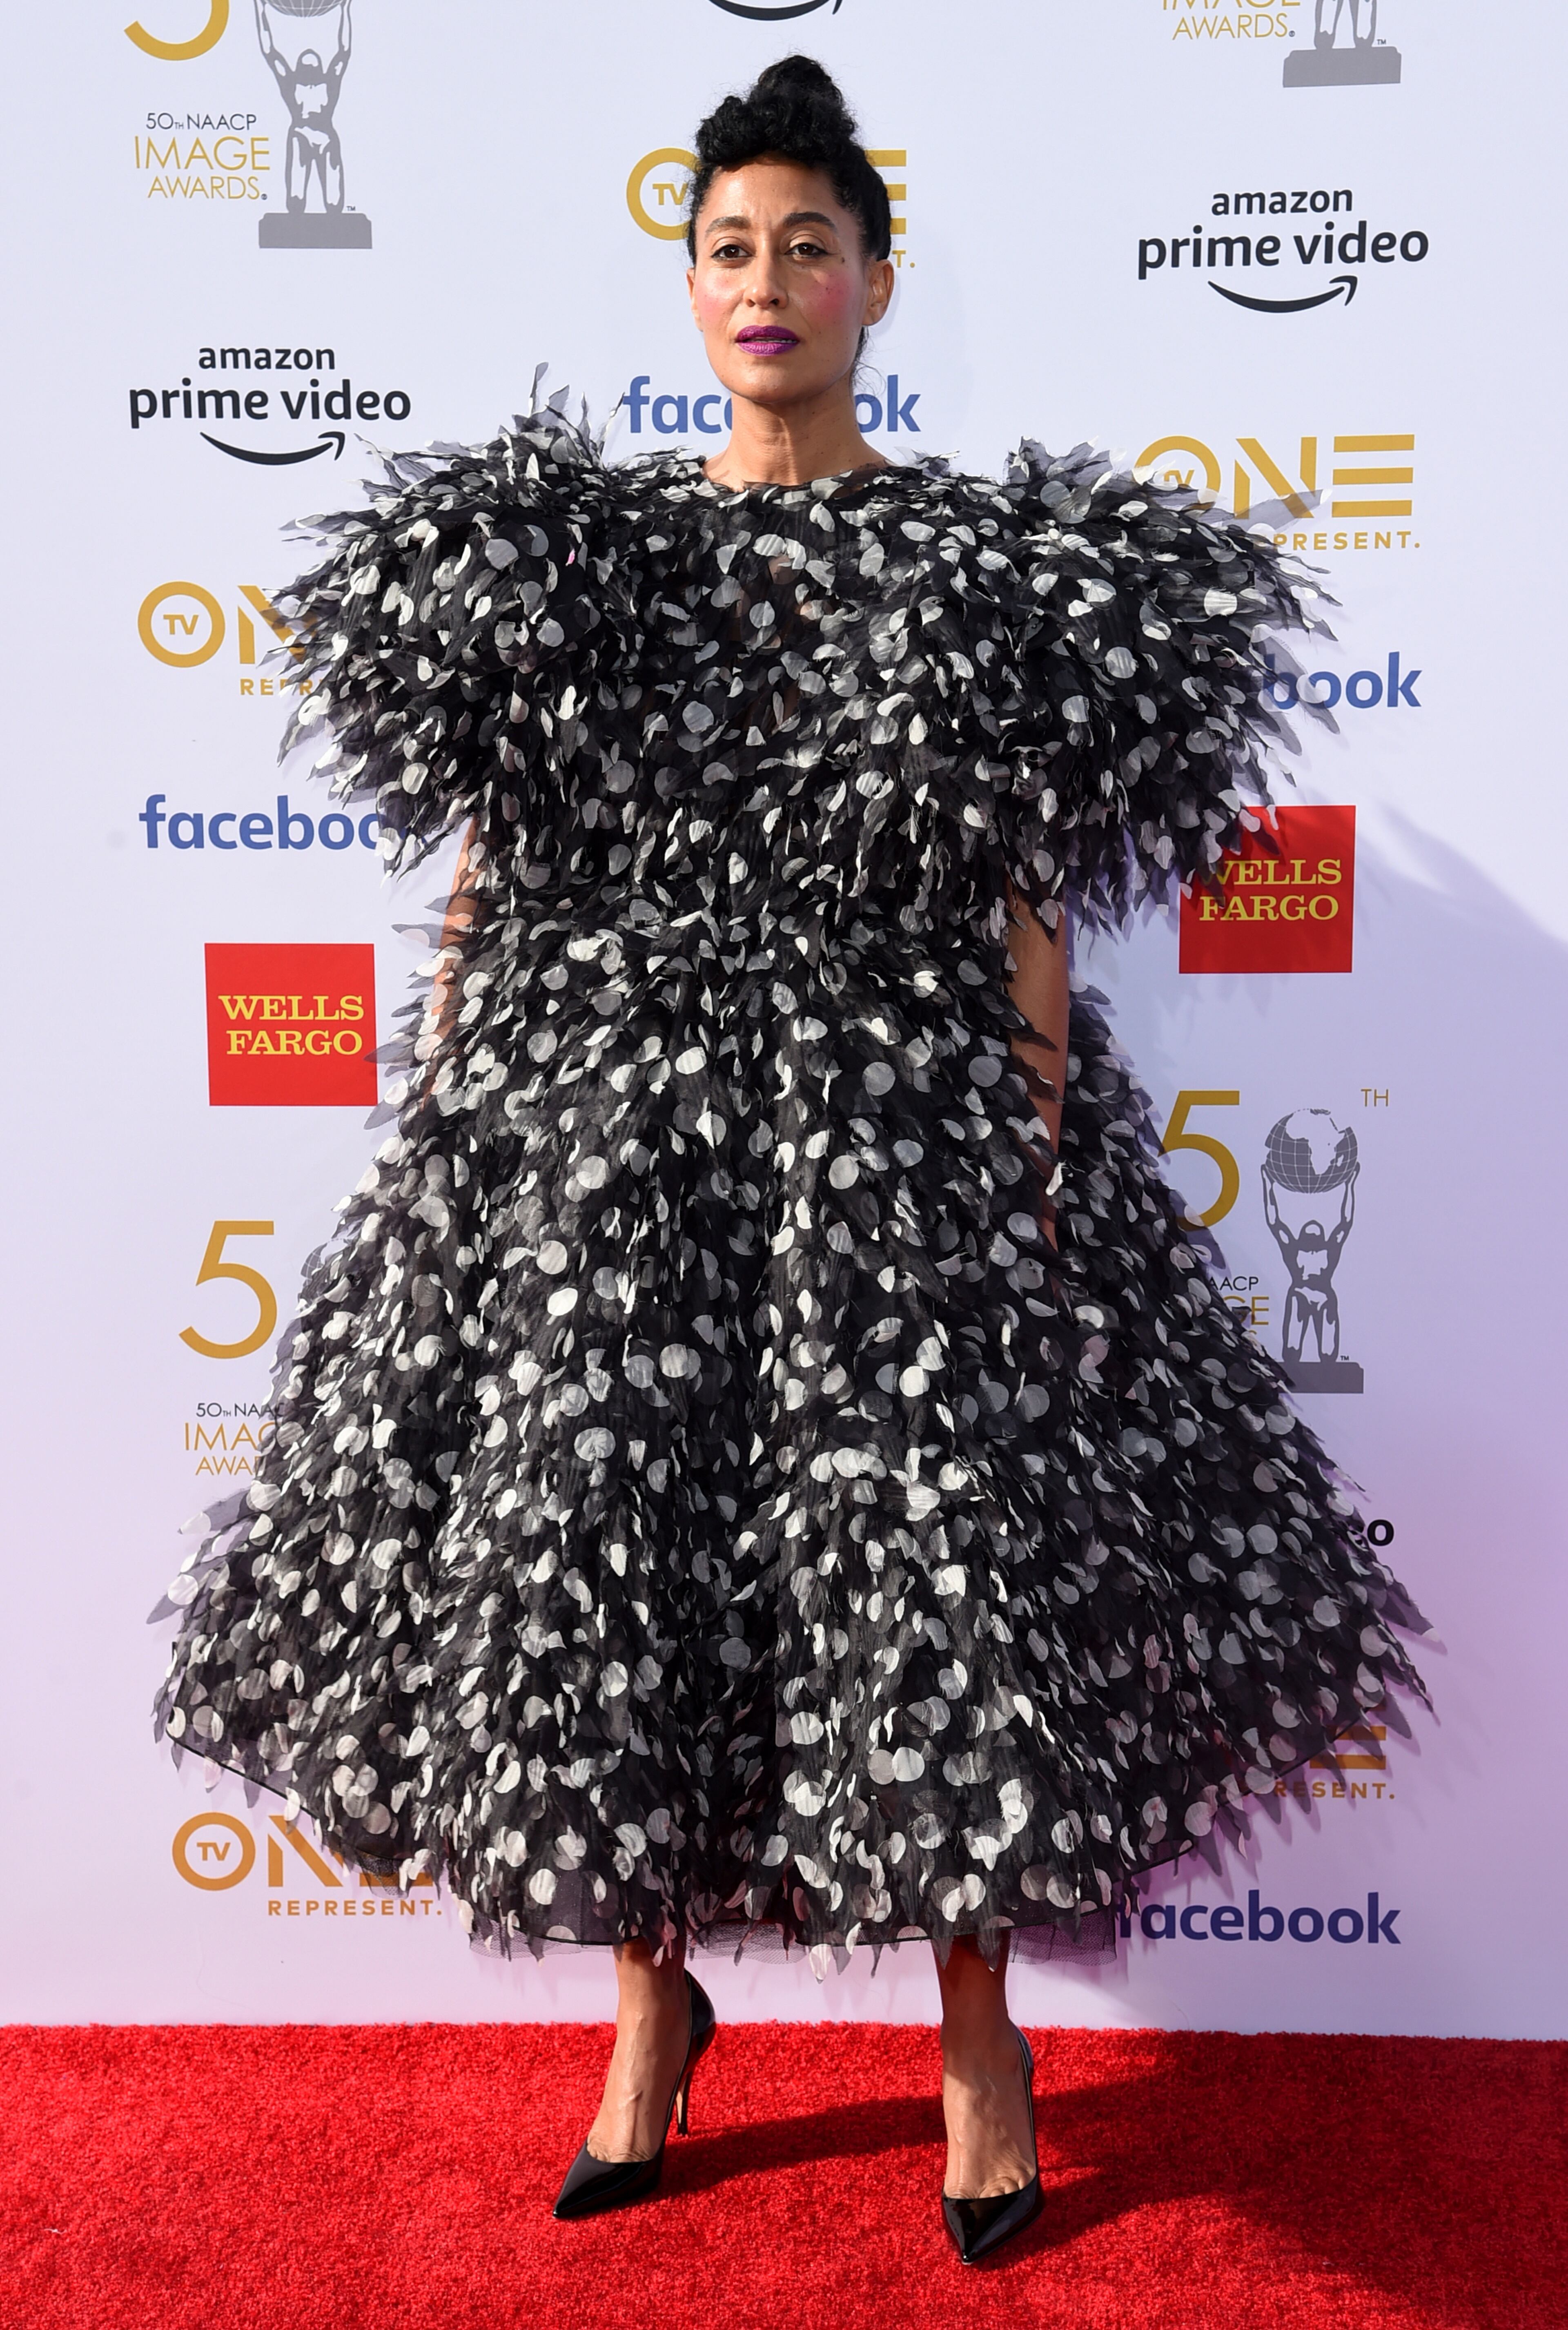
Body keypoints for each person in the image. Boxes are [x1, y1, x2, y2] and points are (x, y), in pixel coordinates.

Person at [156, 56, 1426, 2265]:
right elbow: (491, 871)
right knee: (610, 1582)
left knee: (930, 1583)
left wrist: (1026, 1151)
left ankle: (976, 2041)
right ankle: (654, 2014)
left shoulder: (972, 564)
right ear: (692, 286)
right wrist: (468, 1128)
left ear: (877, 281)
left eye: (810, 246)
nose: (771, 281)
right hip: (606, 1139)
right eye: (733, 247)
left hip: (895, 1124)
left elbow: (1027, 894)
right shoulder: (578, 561)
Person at [255, 0, 353, 215]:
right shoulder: (293, 85)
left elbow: (344, 52)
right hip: (301, 134)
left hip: (324, 135)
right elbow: (269, 52)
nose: (310, 62)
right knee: (296, 194)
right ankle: (297, 220)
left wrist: (346, 10)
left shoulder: (327, 83)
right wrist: (260, 10)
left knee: (334, 196)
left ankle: (334, 221)